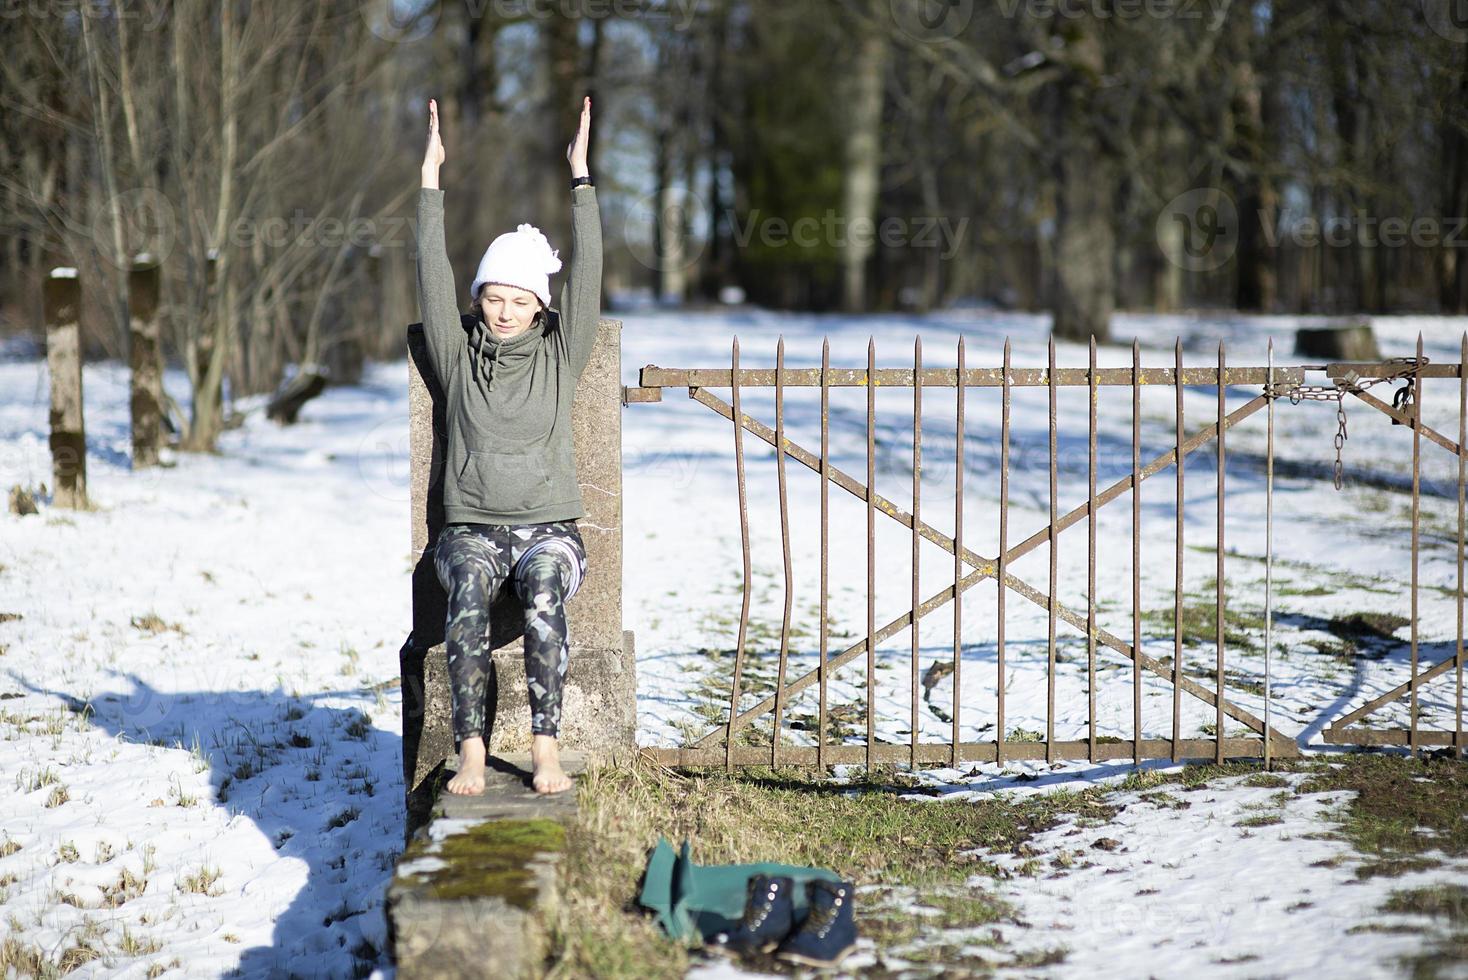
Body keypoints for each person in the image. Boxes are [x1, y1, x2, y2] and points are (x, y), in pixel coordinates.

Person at [416, 95, 602, 795]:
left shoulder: (560, 356)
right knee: (465, 590)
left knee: (546, 593)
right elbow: (431, 275)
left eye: (520, 299)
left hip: (548, 532)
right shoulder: (457, 356)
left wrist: (581, 179)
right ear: (479, 298)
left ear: (540, 307)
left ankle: (545, 749)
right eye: (494, 296)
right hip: (472, 532)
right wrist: (430, 180)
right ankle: (470, 751)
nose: (504, 310)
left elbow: (586, 277)